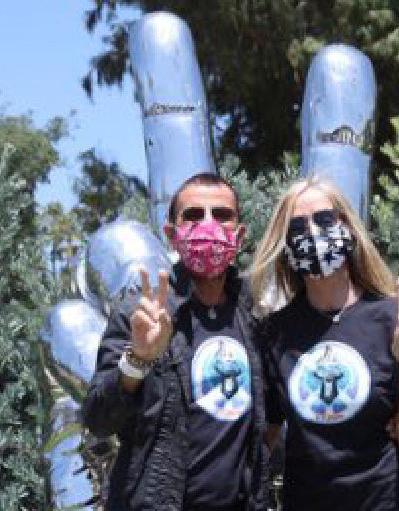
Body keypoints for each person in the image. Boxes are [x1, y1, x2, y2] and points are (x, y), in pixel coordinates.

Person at [249, 176, 399, 511]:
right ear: (285, 243)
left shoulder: (397, 322)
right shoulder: (275, 334)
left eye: (324, 219)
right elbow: (263, 438)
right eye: (297, 226)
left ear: (348, 227)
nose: (312, 232)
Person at [82, 173, 271, 511]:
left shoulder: (255, 314)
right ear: (171, 234)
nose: (209, 225)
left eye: (222, 215)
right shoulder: (140, 313)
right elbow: (98, 418)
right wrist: (137, 359)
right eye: (194, 215)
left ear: (239, 235)